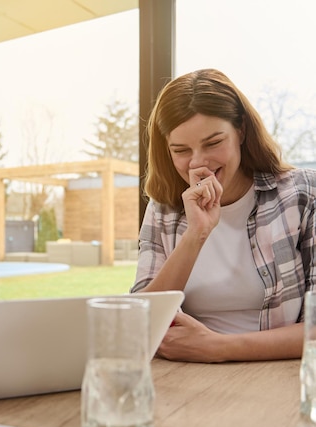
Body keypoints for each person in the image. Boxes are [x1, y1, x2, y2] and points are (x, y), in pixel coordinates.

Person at [132, 68, 316, 363]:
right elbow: (139, 320)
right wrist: (196, 235)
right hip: (185, 378)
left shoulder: (303, 193)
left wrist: (218, 348)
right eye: (181, 150)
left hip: (278, 375)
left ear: (241, 130)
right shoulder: (163, 210)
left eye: (213, 143)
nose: (197, 162)